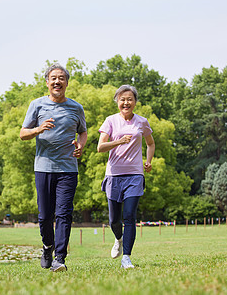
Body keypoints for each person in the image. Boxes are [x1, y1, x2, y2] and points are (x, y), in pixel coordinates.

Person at [20, 63, 87, 272]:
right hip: (43, 167)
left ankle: (60, 258)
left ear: (67, 82)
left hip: (68, 168)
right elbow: (23, 134)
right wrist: (39, 129)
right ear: (47, 82)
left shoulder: (76, 107)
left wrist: (81, 146)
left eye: (61, 78)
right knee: (44, 216)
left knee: (64, 214)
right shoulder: (37, 105)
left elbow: (83, 132)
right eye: (53, 78)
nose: (57, 81)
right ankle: (47, 247)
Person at [97, 85, 155, 269]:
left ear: (135, 102)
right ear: (117, 101)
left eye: (129, 99)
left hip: (135, 175)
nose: (126, 102)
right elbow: (100, 147)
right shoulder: (110, 121)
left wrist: (149, 161)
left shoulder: (142, 122)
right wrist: (118, 141)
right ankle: (118, 239)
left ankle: (126, 257)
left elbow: (150, 143)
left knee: (129, 215)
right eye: (122, 99)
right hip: (114, 174)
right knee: (114, 220)